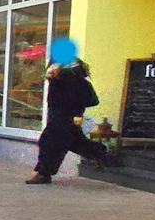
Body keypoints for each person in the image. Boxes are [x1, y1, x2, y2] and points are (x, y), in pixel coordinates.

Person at [29, 57, 112, 185]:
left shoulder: (64, 83)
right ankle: (102, 155)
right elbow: (92, 101)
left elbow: (55, 102)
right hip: (67, 118)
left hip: (61, 119)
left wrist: (72, 101)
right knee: (74, 141)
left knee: (49, 143)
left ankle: (44, 174)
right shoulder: (70, 82)